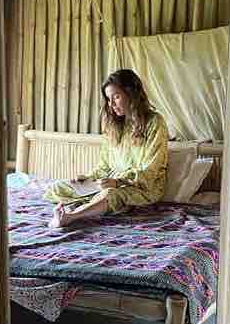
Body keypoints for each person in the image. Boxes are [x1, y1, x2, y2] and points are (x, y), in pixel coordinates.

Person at [46, 69, 169, 229]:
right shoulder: (114, 126)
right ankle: (92, 203)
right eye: (108, 99)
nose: (111, 105)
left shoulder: (155, 122)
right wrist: (88, 178)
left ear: (131, 93)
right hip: (110, 182)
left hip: (142, 187)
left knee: (109, 195)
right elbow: (105, 167)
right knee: (57, 187)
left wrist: (118, 182)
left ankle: (70, 217)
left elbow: (150, 172)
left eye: (116, 97)